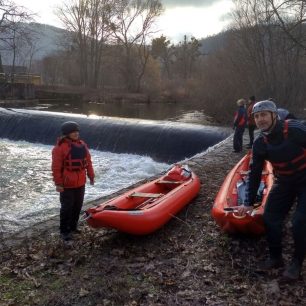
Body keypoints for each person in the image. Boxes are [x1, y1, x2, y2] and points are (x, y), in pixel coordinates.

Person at [236, 100, 306, 282]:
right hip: (285, 182)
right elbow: (254, 174)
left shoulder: (294, 129)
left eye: (264, 115)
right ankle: (276, 257)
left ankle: (296, 264)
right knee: (270, 217)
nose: (260, 119)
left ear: (274, 115)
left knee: (299, 222)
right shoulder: (260, 143)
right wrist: (248, 203)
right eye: (257, 116)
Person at [52, 121, 95, 241]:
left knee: (77, 206)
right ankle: (64, 231)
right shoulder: (59, 148)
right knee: (67, 208)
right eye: (73, 132)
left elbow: (88, 162)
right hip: (67, 184)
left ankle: (73, 227)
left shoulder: (82, 144)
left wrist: (91, 176)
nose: (76, 134)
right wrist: (58, 184)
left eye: (77, 131)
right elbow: (56, 168)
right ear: (66, 134)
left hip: (80, 182)